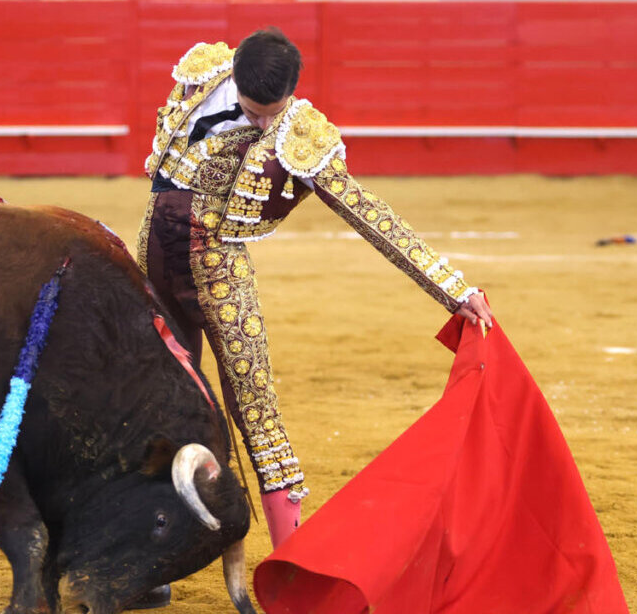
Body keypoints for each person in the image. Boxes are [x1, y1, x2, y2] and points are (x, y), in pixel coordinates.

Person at [137, 28, 495, 549]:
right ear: (233, 74)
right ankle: (150, 560)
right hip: (153, 258)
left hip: (216, 268)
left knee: (256, 410)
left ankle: (292, 564)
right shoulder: (201, 73)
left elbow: (369, 213)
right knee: (157, 404)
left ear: (293, 91)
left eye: (271, 112)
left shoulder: (300, 134)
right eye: (252, 110)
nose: (262, 123)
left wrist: (453, 290)